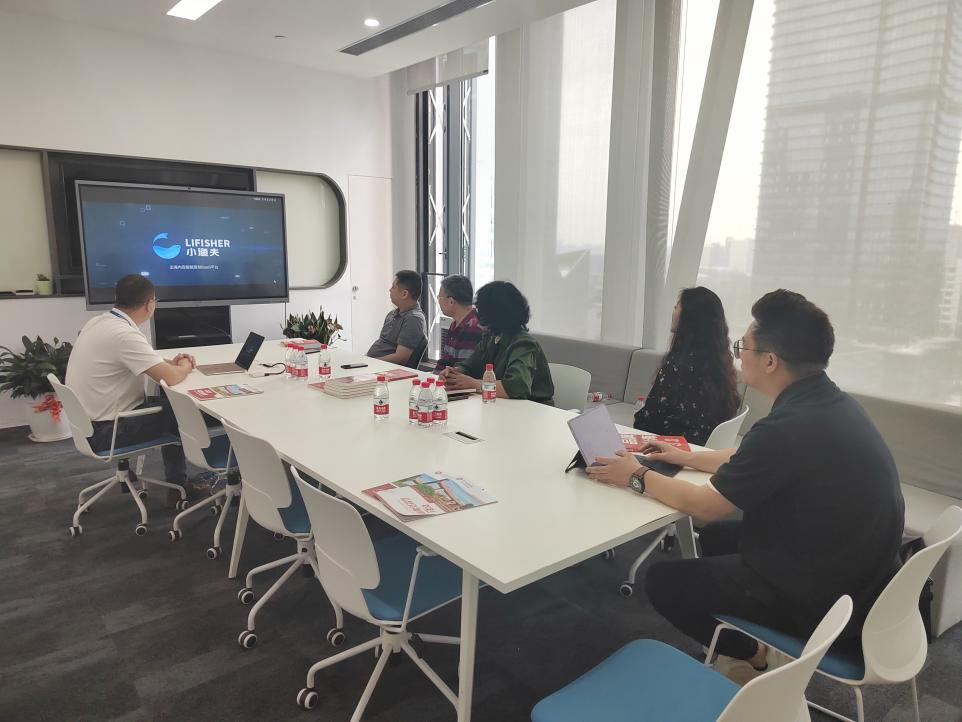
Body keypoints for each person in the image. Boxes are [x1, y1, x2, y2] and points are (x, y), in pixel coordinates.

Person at [585, 290, 904, 679]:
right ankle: (746, 638)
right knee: (717, 539)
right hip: (863, 577)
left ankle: (753, 655)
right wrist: (686, 457)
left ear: (770, 360)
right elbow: (747, 456)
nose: (738, 356)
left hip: (828, 599)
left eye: (743, 347)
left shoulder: (786, 427)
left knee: (664, 582)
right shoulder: (829, 404)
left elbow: (706, 506)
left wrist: (636, 474)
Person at [65, 275, 204, 494]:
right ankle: (184, 484)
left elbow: (141, 357)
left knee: (171, 404)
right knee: (189, 410)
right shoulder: (124, 334)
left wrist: (170, 362)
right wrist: (185, 365)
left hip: (89, 425)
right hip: (109, 432)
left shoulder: (100, 322)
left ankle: (178, 482)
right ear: (150, 304)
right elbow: (171, 378)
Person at [634, 287, 741, 446]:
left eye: (677, 307)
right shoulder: (720, 362)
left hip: (672, 451)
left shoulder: (678, 364)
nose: (673, 311)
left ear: (689, 317)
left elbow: (647, 421)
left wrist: (636, 418)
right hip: (702, 451)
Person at [441, 281, 554, 404]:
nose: (477, 313)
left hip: (532, 408)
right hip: (501, 404)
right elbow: (470, 366)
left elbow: (517, 386)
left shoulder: (524, 344)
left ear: (494, 313)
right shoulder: (491, 337)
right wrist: (454, 373)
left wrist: (475, 384)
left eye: (481, 309)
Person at [366, 270, 427, 366]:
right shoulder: (392, 314)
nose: (390, 290)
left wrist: (369, 363)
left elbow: (401, 358)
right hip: (373, 365)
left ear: (404, 294)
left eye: (393, 287)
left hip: (385, 370)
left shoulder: (414, 319)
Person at [434, 274, 483, 373]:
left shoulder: (473, 327)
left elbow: (463, 371)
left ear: (451, 301)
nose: (438, 301)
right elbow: (445, 362)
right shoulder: (455, 324)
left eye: (440, 297)